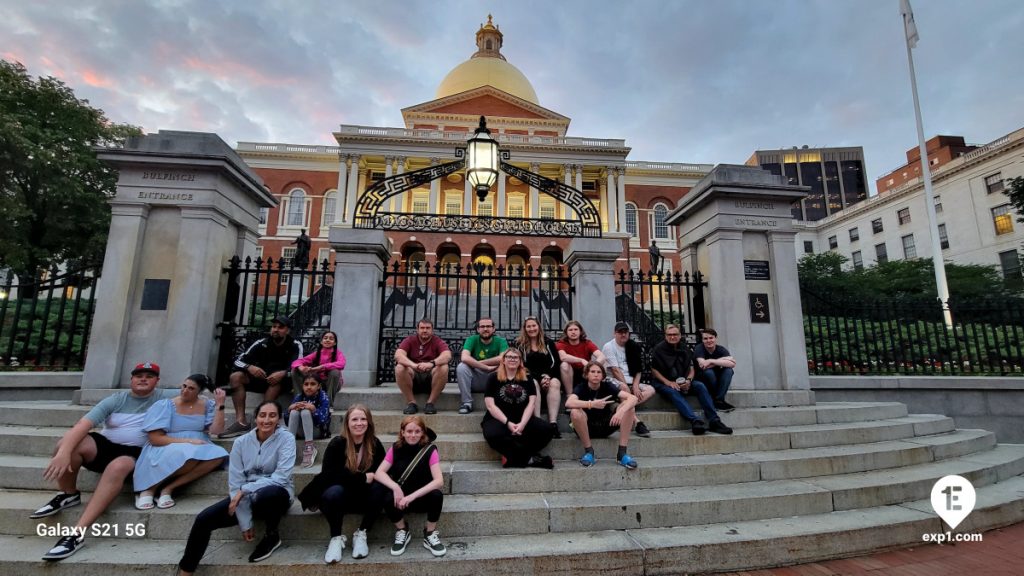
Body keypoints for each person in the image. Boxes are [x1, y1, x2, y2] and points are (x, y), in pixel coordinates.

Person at [35, 361, 171, 561]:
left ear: (157, 381)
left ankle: (76, 534)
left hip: (137, 454)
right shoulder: (116, 399)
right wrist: (63, 452)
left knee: (119, 465)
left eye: (149, 376)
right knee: (67, 443)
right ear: (131, 379)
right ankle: (68, 494)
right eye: (139, 375)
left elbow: (196, 393)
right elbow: (83, 424)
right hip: (106, 446)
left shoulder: (164, 398)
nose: (143, 379)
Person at [177, 400, 295, 575]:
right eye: (262, 415)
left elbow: (281, 477)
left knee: (267, 495)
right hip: (243, 497)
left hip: (277, 494)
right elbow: (235, 482)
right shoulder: (241, 442)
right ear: (255, 418)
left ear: (279, 419)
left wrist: (246, 489)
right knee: (203, 519)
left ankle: (272, 535)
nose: (267, 420)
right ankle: (186, 570)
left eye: (272, 415)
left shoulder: (287, 439)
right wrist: (244, 520)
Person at [298, 404, 386, 563]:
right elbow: (330, 474)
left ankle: (362, 533)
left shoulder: (375, 444)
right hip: (340, 498)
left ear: (369, 422)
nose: (359, 423)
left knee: (381, 488)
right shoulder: (337, 444)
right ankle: (336, 538)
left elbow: (383, 472)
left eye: (363, 419)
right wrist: (362, 478)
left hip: (363, 498)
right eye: (355, 419)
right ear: (347, 423)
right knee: (333, 492)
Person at [133, 374, 229, 510]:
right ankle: (149, 488)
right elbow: (155, 438)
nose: (185, 391)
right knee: (190, 455)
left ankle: (168, 488)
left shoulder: (207, 404)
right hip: (168, 443)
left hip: (199, 444)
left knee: (218, 455)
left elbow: (217, 431)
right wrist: (188, 441)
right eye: (184, 386)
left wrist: (220, 405)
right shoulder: (165, 405)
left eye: (191, 389)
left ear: (199, 392)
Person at [369, 415, 447, 557]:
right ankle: (402, 530)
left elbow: (439, 481)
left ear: (423, 432)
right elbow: (379, 473)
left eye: (417, 431)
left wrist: (412, 496)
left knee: (437, 495)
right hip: (401, 500)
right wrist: (395, 487)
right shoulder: (396, 448)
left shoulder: (430, 450)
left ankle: (429, 533)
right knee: (386, 497)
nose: (413, 435)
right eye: (409, 431)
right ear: (402, 432)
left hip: (421, 497)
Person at [221, 315, 303, 438]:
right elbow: (238, 360)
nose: (276, 329)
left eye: (280, 327)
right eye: (274, 326)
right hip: (261, 379)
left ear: (288, 330)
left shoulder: (295, 344)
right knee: (235, 377)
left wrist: (284, 373)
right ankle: (240, 422)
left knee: (275, 384)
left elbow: (299, 366)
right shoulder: (261, 343)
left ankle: (262, 422)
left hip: (282, 382)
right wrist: (250, 367)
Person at [649, 324, 733, 436]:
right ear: (665, 336)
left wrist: (688, 380)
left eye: (675, 334)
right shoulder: (658, 349)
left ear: (680, 336)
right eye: (669, 335)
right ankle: (695, 421)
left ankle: (714, 421)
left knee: (700, 386)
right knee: (673, 392)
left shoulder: (684, 348)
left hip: (683, 380)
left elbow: (692, 367)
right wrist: (668, 383)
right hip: (664, 382)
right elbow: (654, 370)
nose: (672, 337)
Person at [481, 349, 555, 469]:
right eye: (509, 357)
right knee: (493, 434)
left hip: (522, 419)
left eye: (516, 357)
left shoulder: (528, 379)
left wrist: (522, 424)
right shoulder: (493, 378)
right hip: (499, 419)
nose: (512, 359)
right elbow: (490, 405)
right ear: (503, 360)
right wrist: (508, 423)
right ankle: (530, 459)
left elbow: (531, 404)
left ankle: (512, 457)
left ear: (520, 361)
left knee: (547, 430)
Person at [566, 362, 639, 469]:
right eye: (593, 372)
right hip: (586, 427)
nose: (596, 374)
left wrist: (620, 411)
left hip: (606, 425)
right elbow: (568, 403)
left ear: (603, 376)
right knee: (575, 412)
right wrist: (591, 404)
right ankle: (589, 452)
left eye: (599, 372)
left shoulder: (607, 386)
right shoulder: (581, 387)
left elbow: (634, 398)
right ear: (587, 374)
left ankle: (622, 453)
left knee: (629, 407)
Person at [602, 322, 655, 438]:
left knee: (650, 389)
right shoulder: (609, 346)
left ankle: (621, 405)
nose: (623, 334)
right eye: (620, 332)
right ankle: (637, 423)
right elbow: (615, 370)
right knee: (624, 387)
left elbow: (638, 370)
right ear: (614, 334)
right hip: (614, 380)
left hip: (631, 381)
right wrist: (627, 388)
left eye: (625, 332)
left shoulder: (633, 346)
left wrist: (635, 386)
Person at [514, 316, 562, 437]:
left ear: (539, 327)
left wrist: (547, 376)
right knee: (533, 383)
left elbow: (555, 362)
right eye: (528, 326)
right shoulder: (519, 344)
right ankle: (538, 422)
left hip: (548, 376)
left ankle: (553, 424)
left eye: (534, 325)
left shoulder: (548, 343)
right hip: (530, 377)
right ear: (524, 329)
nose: (531, 329)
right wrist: (540, 378)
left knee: (555, 383)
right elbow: (521, 365)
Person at [394, 318, 452, 415]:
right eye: (422, 328)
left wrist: (431, 363)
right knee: (400, 367)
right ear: (417, 329)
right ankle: (411, 403)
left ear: (432, 330)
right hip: (413, 378)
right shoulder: (409, 340)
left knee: (443, 367)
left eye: (428, 328)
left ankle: (430, 403)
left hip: (431, 380)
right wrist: (413, 365)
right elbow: (398, 355)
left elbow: (447, 355)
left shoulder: (437, 341)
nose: (425, 330)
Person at [456, 317, 508, 414]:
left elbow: (503, 358)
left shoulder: (501, 341)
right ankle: (467, 403)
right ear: (478, 329)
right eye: (482, 326)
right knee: (462, 367)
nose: (485, 329)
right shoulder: (472, 339)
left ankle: (499, 402)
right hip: (476, 379)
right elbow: (464, 358)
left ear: (493, 329)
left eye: (488, 326)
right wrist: (486, 367)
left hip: (494, 379)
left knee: (504, 366)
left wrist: (477, 363)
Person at [288, 375, 332, 467]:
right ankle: (289, 446)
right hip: (300, 432)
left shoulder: (323, 397)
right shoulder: (300, 396)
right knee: (294, 412)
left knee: (305, 412)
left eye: (312, 384)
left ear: (319, 386)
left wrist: (314, 410)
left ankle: (310, 448)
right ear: (302, 386)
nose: (309, 387)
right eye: (306, 384)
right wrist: (290, 408)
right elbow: (287, 420)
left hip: (317, 431)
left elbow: (323, 420)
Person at [291, 330, 346, 404]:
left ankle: (328, 403)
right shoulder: (316, 354)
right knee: (295, 370)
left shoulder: (338, 353)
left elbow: (341, 364)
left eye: (331, 338)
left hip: (332, 384)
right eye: (325, 338)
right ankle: (300, 400)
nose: (328, 340)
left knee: (335, 372)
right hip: (318, 383)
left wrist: (321, 367)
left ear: (335, 343)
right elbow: (296, 362)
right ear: (321, 341)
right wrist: (301, 367)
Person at [693, 328, 737, 412]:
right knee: (709, 372)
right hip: (702, 378)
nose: (708, 340)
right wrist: (722, 360)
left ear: (716, 338)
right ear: (702, 340)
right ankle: (717, 398)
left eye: (711, 338)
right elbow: (703, 366)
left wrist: (710, 361)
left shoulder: (721, 349)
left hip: (717, 378)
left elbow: (732, 364)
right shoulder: (699, 348)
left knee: (729, 371)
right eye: (705, 338)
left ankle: (718, 401)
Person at [556, 320, 606, 393]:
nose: (573, 332)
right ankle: (569, 394)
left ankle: (600, 391)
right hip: (569, 375)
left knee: (603, 363)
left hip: (585, 372)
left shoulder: (587, 343)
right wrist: (581, 360)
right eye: (570, 330)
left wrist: (593, 366)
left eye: (576, 329)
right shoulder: (561, 343)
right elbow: (563, 357)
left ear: (580, 331)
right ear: (566, 332)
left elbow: (601, 356)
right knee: (564, 365)